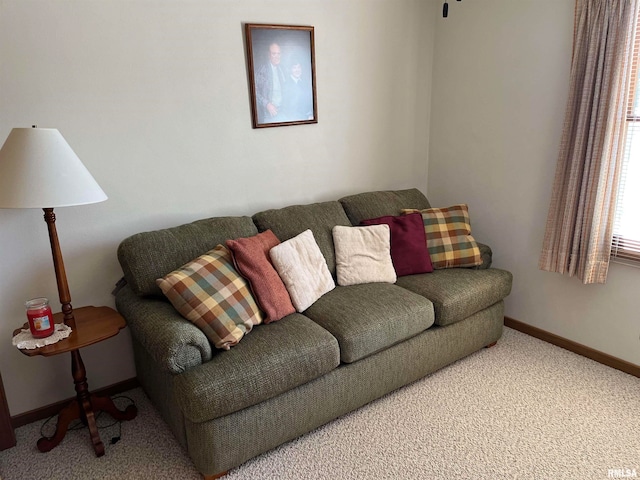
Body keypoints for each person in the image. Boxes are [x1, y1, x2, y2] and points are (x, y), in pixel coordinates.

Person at [255, 42, 287, 123]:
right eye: (274, 54)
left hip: (282, 112)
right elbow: (254, 91)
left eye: (278, 54)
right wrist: (267, 104)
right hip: (268, 115)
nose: (277, 56)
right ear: (269, 55)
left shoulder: (282, 69)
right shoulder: (262, 70)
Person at [282, 58, 314, 122]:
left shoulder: (304, 83)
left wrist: (311, 114)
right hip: (295, 119)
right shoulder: (286, 85)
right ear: (290, 69)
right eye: (294, 68)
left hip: (308, 116)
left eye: (299, 67)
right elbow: (289, 109)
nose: (297, 70)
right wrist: (306, 117)